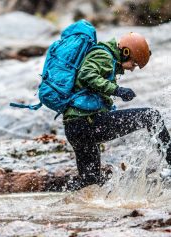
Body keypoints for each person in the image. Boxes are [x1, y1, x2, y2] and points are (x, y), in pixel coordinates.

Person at [63, 32, 171, 190]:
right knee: (151, 116)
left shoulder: (107, 58)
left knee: (90, 185)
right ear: (125, 52)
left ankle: (67, 206)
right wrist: (117, 90)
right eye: (133, 64)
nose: (133, 69)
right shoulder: (103, 55)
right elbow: (86, 74)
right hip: (87, 123)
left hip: (76, 128)